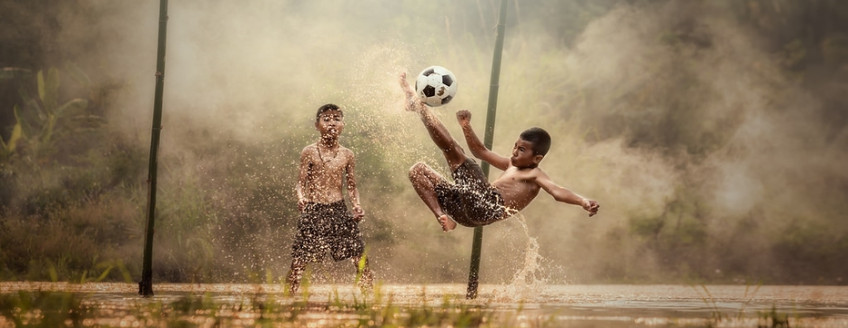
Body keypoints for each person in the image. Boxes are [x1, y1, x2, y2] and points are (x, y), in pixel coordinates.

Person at [399, 72, 600, 231]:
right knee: (418, 171)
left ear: (537, 158)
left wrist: (582, 201)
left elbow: (557, 191)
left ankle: (418, 105)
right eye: (515, 146)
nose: (514, 152)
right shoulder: (511, 164)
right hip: (465, 212)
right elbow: (480, 151)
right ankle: (443, 217)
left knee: (453, 151)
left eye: (521, 150)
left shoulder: (534, 174)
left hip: (487, 205)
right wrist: (466, 126)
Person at [286, 103, 373, 294]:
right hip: (313, 209)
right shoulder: (308, 151)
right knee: (299, 261)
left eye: (336, 119)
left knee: (360, 257)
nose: (332, 123)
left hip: (338, 209)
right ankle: (287, 298)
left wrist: (357, 205)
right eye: (326, 119)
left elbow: (352, 187)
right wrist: (301, 198)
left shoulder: (348, 154)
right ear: (317, 125)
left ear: (343, 125)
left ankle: (371, 300)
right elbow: (300, 183)